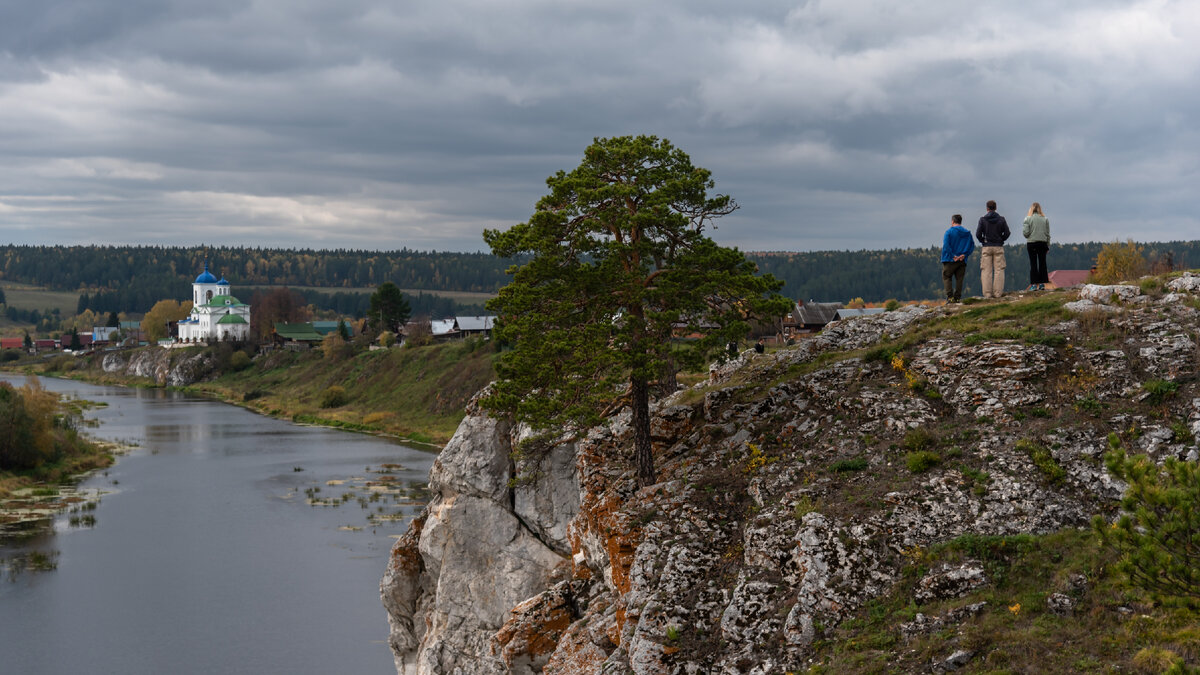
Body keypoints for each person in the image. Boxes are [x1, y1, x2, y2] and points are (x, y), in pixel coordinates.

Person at [976, 200, 1010, 298]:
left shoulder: (982, 220)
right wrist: (1001, 240)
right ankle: (998, 293)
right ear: (995, 208)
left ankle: (987, 294)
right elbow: (1007, 233)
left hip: (987, 247)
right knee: (999, 270)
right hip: (998, 246)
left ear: (987, 208)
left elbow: (978, 234)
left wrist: (983, 241)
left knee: (986, 271)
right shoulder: (1001, 219)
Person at [941, 214, 974, 303]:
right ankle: (958, 297)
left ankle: (950, 297)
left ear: (952, 221)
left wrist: (953, 255)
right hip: (962, 260)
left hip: (950, 260)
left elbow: (946, 245)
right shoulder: (967, 233)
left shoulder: (949, 232)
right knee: (959, 279)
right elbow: (972, 246)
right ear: (960, 221)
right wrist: (965, 255)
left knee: (946, 276)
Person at [1022, 202, 1050, 291]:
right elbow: (1048, 234)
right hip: (1042, 243)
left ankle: (1034, 285)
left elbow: (1025, 233)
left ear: (1031, 209)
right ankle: (1042, 284)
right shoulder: (1045, 219)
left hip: (1032, 243)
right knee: (1042, 263)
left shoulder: (1027, 219)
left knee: (1033, 264)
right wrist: (1047, 245)